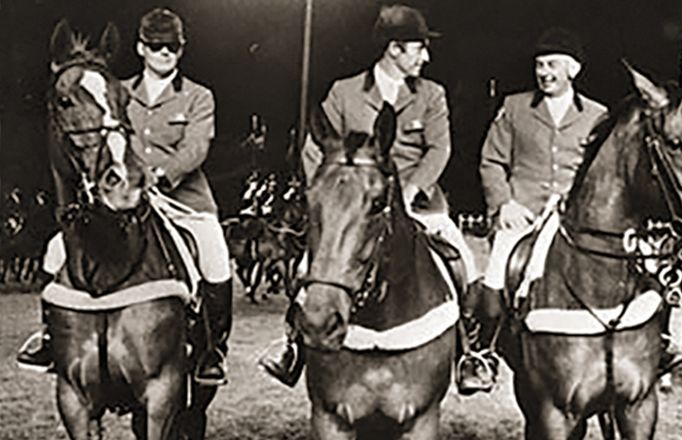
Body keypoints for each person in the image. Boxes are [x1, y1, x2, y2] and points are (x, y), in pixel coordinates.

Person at [260, 4, 486, 391]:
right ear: (395, 48)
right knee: (304, 270)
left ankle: (469, 353)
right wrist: (330, 194)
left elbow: (439, 150)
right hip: (352, 211)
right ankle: (292, 347)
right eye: (419, 48)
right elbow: (315, 148)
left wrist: (414, 188)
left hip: (418, 206)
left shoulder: (431, 94)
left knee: (464, 264)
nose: (426, 56)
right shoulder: (344, 91)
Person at [17, 7, 232, 386]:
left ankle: (211, 350)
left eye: (172, 47)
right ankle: (51, 338)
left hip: (183, 200)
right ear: (141, 48)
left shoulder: (198, 96)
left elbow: (196, 148)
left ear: (181, 51)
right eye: (155, 45)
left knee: (216, 258)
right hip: (122, 199)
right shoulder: (116, 90)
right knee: (56, 249)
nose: (164, 52)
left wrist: (159, 175)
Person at [465, 27, 608, 391]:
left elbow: (602, 172)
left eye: (552, 65)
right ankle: (483, 352)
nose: (544, 72)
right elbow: (491, 161)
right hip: (522, 214)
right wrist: (504, 204)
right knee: (496, 271)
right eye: (540, 65)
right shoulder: (514, 107)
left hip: (574, 218)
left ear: (573, 69)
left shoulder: (597, 115)